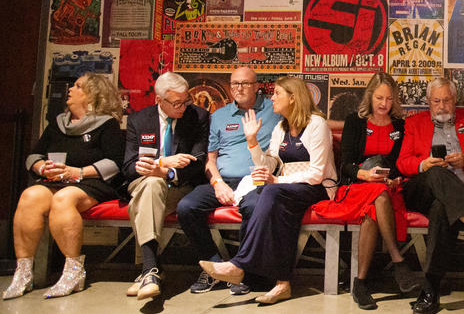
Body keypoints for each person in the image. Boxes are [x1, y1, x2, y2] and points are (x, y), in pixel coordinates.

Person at [199, 76, 336, 304]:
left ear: (293, 98)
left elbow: (317, 174)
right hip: (289, 188)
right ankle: (282, 283)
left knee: (271, 193)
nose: (272, 97)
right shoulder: (280, 127)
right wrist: (252, 140)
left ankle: (240, 264)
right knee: (256, 198)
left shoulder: (316, 124)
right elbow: (268, 163)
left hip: (318, 187)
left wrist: (276, 181)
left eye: (277, 94)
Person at [395, 77, 464, 314]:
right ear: (428, 102)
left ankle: (430, 290)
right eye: (436, 100)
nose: (442, 105)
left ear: (455, 99)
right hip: (423, 189)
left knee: (441, 209)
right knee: (437, 172)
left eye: (446, 100)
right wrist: (423, 164)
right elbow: (402, 162)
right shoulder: (415, 123)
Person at [4, 74, 124, 300]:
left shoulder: (107, 124)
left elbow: (114, 163)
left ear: (92, 95)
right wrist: (42, 168)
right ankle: (23, 271)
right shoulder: (58, 123)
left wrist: (77, 172)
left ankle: (73, 271)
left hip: (91, 182)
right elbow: (33, 155)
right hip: (56, 180)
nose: (70, 89)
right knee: (30, 196)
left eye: (78, 86)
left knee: (63, 199)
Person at [312, 72, 422, 309]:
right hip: (357, 186)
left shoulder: (402, 126)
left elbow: (402, 162)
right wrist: (365, 175)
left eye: (390, 99)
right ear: (370, 97)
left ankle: (360, 283)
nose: (384, 104)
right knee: (376, 194)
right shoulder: (355, 121)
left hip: (390, 189)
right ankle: (398, 260)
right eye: (380, 98)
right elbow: (346, 164)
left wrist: (395, 179)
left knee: (376, 202)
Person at [175, 67, 281, 295]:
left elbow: (307, 119)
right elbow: (210, 159)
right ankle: (214, 267)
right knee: (186, 206)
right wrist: (218, 183)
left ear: (256, 86)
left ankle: (244, 270)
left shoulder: (275, 110)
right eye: (234, 84)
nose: (238, 89)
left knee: (254, 206)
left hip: (257, 181)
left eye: (244, 83)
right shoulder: (220, 115)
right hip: (225, 180)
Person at [121, 72, 207, 300]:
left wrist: (167, 172)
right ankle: (151, 269)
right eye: (177, 103)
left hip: (180, 186)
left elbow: (198, 161)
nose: (183, 107)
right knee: (151, 185)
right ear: (159, 100)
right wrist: (163, 163)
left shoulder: (198, 117)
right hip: (144, 183)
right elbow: (129, 167)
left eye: (186, 100)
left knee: (143, 199)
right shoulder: (139, 120)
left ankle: (148, 270)